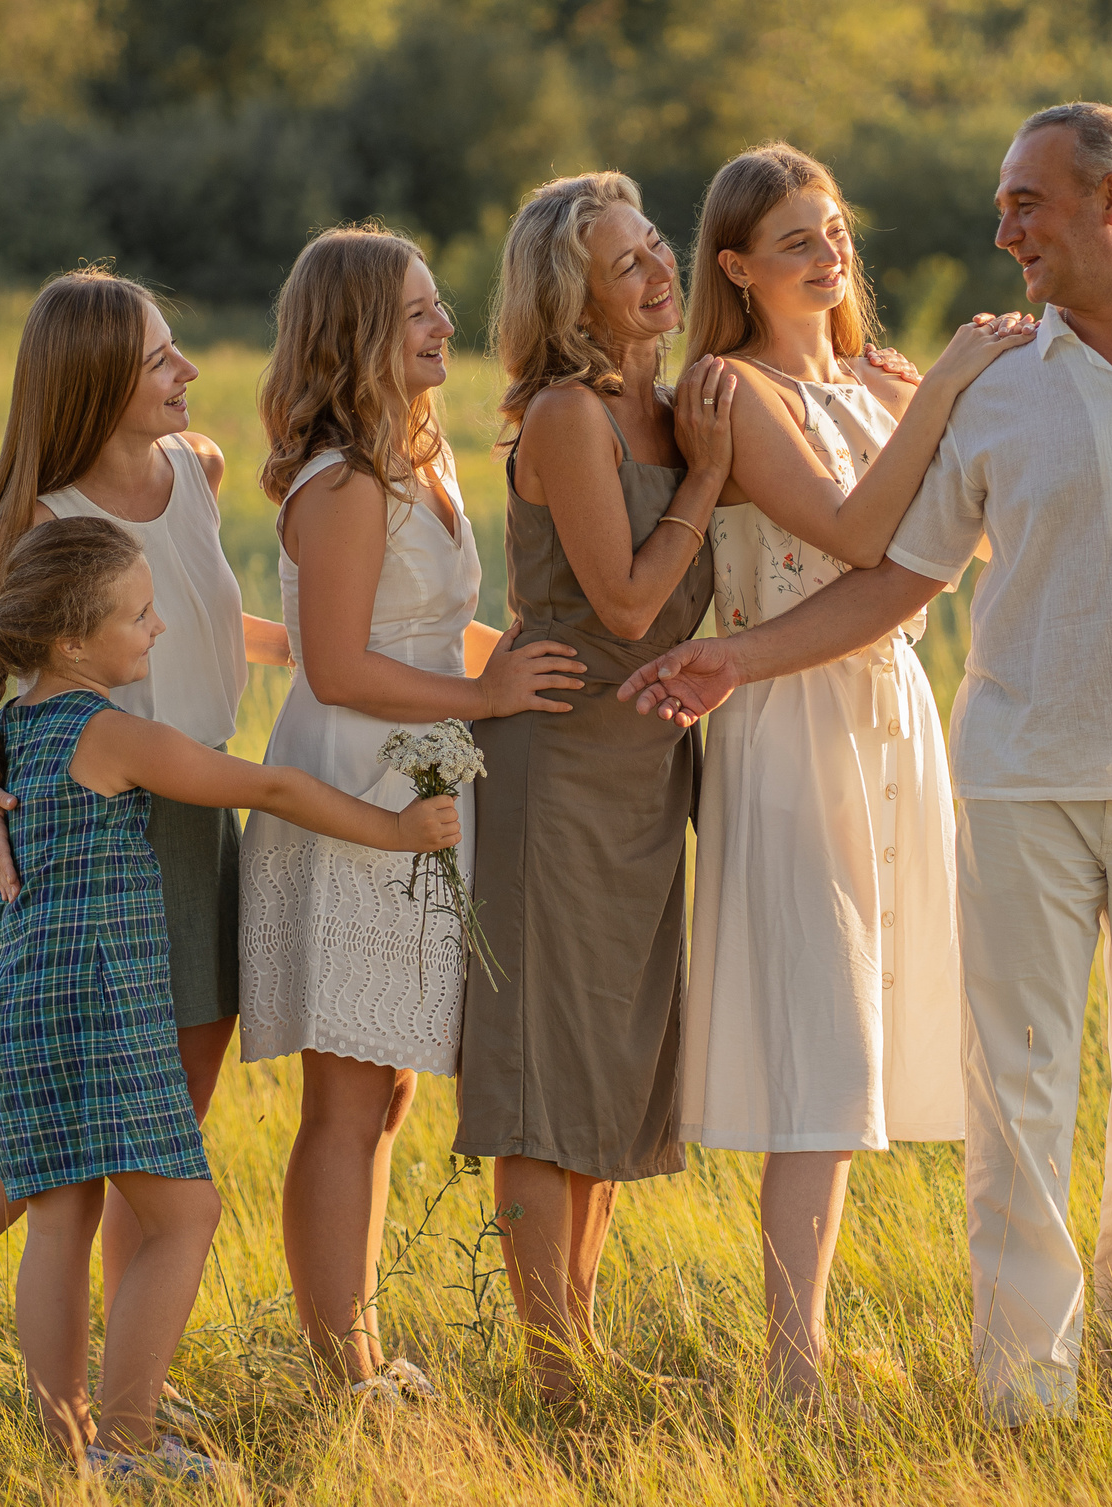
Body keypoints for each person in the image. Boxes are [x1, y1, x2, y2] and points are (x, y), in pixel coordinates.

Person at [621, 104, 1112, 1424]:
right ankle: (1025, 1382)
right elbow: (894, 577)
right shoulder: (994, 386)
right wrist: (736, 659)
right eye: (1001, 204)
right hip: (1017, 777)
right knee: (1015, 1087)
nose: (1002, 228)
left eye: (1025, 203)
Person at [0, 269, 287, 1435]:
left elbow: (206, 617)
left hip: (197, 810)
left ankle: (135, 1373)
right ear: (91, 384)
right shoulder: (32, 524)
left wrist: (348, 647)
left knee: (156, 1122)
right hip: (90, 827)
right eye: (159, 360)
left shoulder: (200, 471)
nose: (187, 372)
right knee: (71, 1114)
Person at [0, 515, 457, 1476]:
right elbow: (266, 787)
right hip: (101, 1012)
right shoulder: (112, 735)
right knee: (186, 1215)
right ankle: (130, 1444)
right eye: (140, 616)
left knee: (60, 1219)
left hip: (16, 1011)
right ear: (70, 642)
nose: (158, 630)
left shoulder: (7, 736)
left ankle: (70, 1455)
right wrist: (394, 831)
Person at [670, 143, 1032, 1408]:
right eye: (795, 243)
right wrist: (939, 396)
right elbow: (856, 531)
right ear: (736, 267)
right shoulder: (729, 390)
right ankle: (792, 1368)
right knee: (817, 1037)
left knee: (873, 1025)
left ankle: (810, 1349)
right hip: (788, 721)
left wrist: (922, 393)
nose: (829, 257)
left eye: (833, 233)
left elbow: (969, 533)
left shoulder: (874, 383)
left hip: (894, 713)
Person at [238, 224, 587, 1397]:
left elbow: (431, 638)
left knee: (384, 1090)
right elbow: (335, 666)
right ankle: (344, 1368)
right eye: (419, 312)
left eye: (443, 306)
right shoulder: (341, 483)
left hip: (422, 781)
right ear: (355, 335)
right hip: (352, 787)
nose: (446, 326)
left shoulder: (421, 461)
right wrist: (485, 694)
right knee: (346, 1096)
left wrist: (554, 672)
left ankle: (360, 1345)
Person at [450, 173, 732, 1401]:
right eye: (627, 265)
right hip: (557, 765)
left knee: (614, 1063)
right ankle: (550, 1367)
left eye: (656, 248)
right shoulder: (567, 414)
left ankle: (585, 1343)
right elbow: (622, 600)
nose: (659, 273)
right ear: (572, 296)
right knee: (542, 1077)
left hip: (644, 772)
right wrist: (711, 483)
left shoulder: (675, 410)